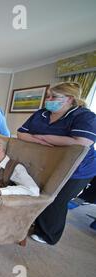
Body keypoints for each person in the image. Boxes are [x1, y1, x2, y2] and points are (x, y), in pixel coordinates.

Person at [17, 82, 96, 245]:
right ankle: (35, 223)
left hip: (78, 169)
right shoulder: (41, 114)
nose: (49, 99)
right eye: (48, 96)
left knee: (57, 199)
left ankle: (49, 235)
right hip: (50, 164)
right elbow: (20, 133)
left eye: (54, 97)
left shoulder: (84, 116)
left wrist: (43, 137)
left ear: (70, 99)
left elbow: (82, 142)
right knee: (41, 193)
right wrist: (38, 138)